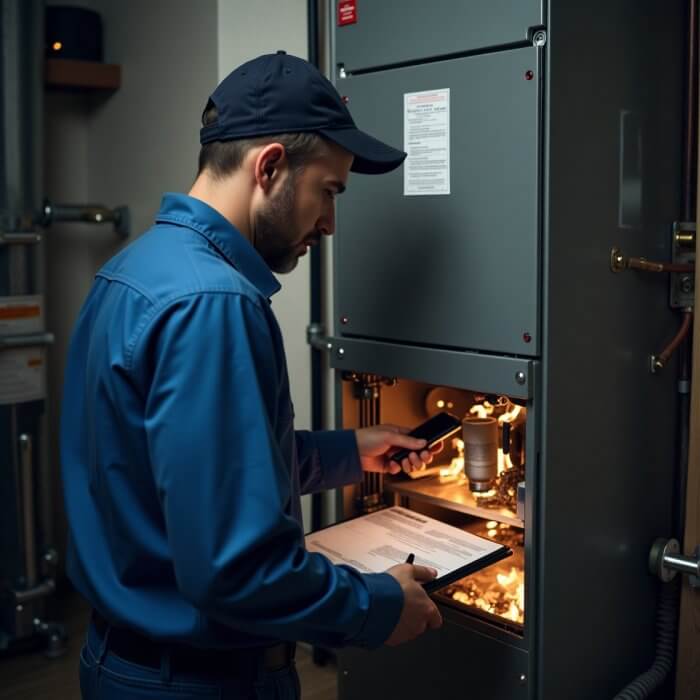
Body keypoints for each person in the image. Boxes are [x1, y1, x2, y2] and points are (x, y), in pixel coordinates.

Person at [61, 51, 443, 700]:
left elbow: (183, 479)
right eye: (329, 191)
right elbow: (235, 569)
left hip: (120, 664)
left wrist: (351, 451)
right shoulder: (216, 303)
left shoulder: (136, 271)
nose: (329, 223)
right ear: (269, 167)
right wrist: (378, 607)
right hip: (201, 683)